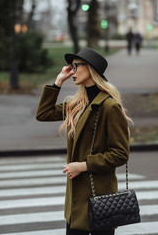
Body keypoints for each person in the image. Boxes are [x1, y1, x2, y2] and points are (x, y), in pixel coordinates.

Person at [36, 47, 130, 235]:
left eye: (76, 66)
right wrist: (57, 82)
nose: (72, 71)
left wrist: (84, 166)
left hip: (100, 199)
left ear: (91, 69)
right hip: (77, 201)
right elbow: (43, 114)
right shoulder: (77, 104)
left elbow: (120, 154)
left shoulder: (110, 107)